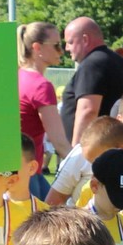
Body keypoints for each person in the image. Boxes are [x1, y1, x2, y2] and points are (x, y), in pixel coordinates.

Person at [60, 18, 123, 147]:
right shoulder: (118, 61)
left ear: (85, 39)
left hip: (93, 152)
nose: (67, 48)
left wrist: (77, 153)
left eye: (70, 42)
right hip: (113, 146)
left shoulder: (92, 64)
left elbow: (88, 110)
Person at [18, 23, 72, 184]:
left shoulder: (16, 76)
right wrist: (88, 169)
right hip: (28, 177)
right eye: (56, 45)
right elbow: (60, 143)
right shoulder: (41, 85)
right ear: (37, 48)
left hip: (14, 172)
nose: (61, 51)